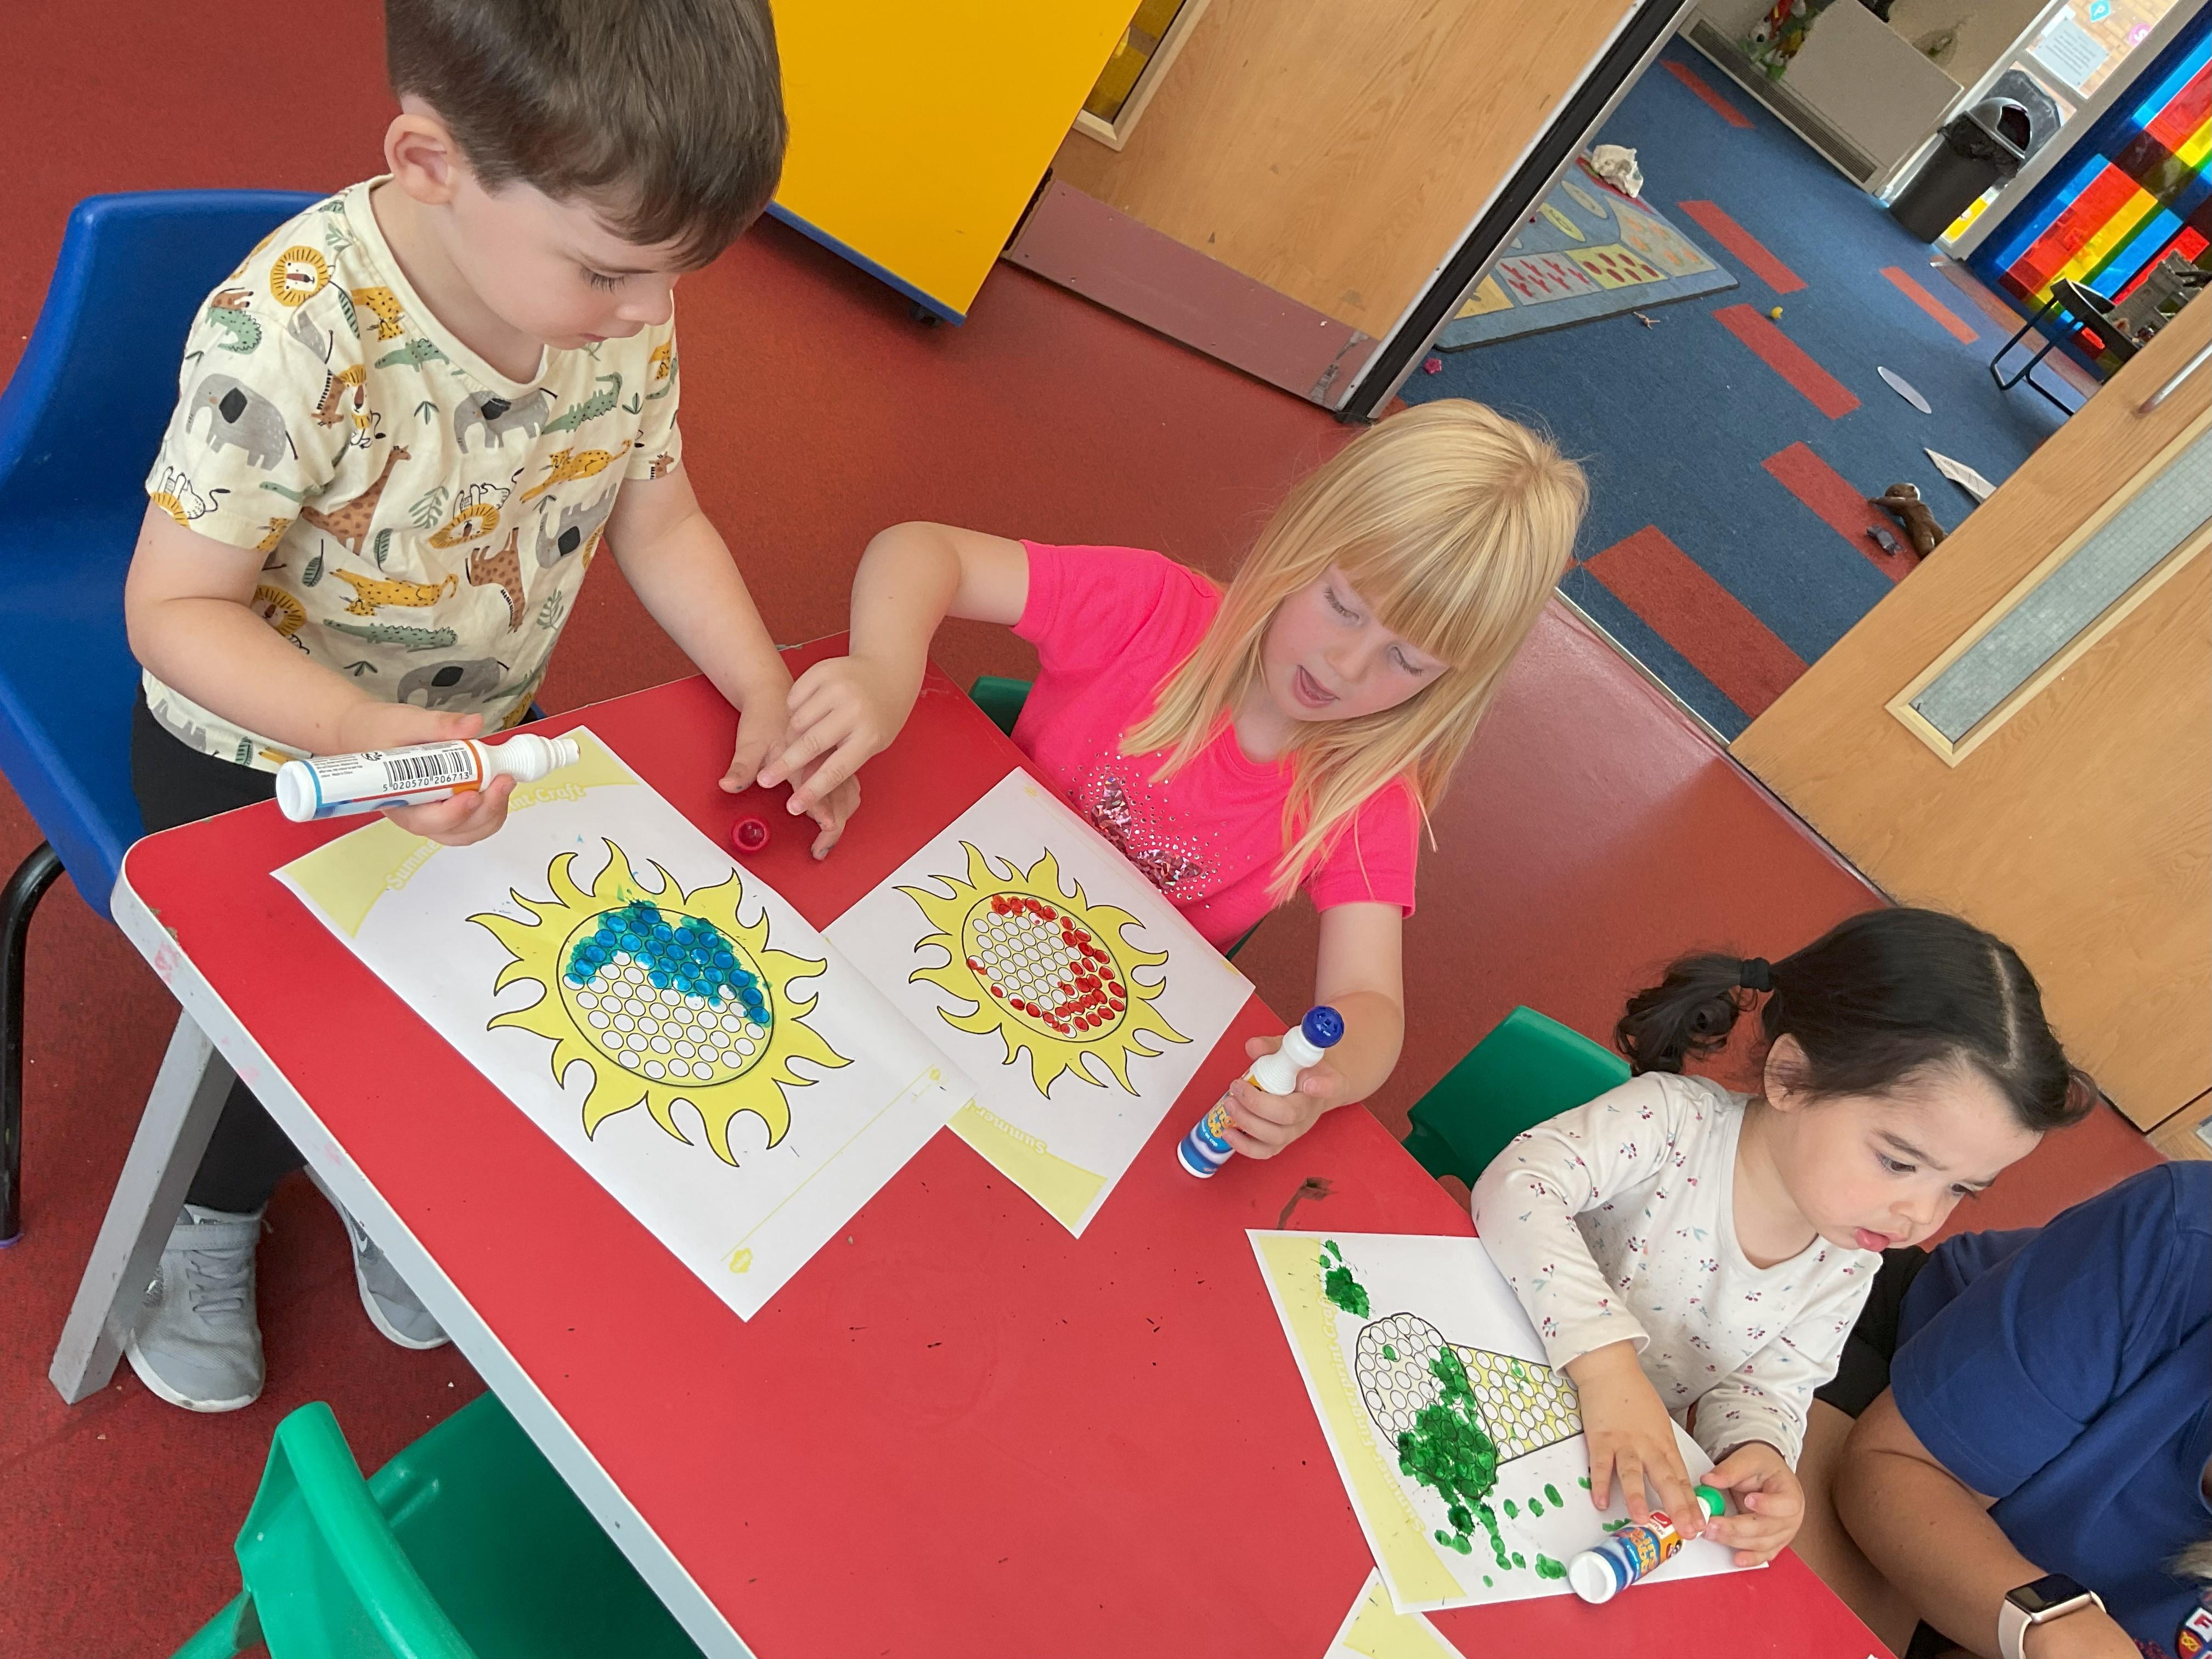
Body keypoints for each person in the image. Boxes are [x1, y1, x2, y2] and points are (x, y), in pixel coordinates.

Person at [120, 0, 852, 1412]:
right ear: (431, 163)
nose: (649, 311)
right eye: (613, 271)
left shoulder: (612, 303)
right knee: (281, 1023)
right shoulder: (294, 333)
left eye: (676, 273)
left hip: (467, 733)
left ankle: (365, 1176)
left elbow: (658, 510)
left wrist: (762, 679)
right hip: (262, 752)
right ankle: (209, 1213)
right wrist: (360, 738)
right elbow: (174, 611)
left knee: (454, 981)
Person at [757, 402, 1587, 1152]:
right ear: (1301, 542)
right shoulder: (1152, 609)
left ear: (1449, 686)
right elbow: (920, 550)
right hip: (928, 911)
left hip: (1070, 1036)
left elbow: (1370, 1002)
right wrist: (886, 671)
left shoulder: (1365, 796)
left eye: (1406, 660)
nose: (1346, 665)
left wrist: (1324, 1080)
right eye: (1343, 604)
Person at [1470, 908, 2092, 1568]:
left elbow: (1766, 1386)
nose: (1920, 1215)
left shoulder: (1848, 1258)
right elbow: (1519, 1185)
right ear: (1791, 1077)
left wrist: (1758, 1454)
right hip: (1476, 1351)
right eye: (1898, 1162)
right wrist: (1606, 1366)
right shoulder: (1670, 1124)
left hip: (1573, 1455)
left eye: (1960, 1188)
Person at [1818, 1160, 2210, 1659]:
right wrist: (2052, 1626)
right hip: (1899, 1405)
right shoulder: (2182, 1238)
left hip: (2012, 1609)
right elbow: (1894, 1466)